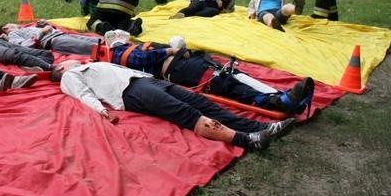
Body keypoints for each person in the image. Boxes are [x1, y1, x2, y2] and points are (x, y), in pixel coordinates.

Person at [51, 60, 296, 150]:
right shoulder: (70, 76)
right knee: (185, 112)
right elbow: (83, 95)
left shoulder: (88, 66)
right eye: (68, 61)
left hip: (145, 81)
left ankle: (258, 126)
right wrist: (101, 110)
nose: (72, 60)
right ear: (62, 68)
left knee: (200, 102)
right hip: (131, 91)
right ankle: (247, 140)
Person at [91, 31, 314, 116]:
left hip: (187, 64)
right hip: (179, 70)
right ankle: (277, 101)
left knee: (230, 74)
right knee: (222, 81)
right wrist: (170, 50)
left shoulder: (134, 47)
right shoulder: (119, 53)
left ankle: (280, 96)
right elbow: (138, 60)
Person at [0, 21, 101, 56]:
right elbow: (25, 45)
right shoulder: (13, 35)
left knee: (92, 40)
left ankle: (114, 43)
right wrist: (42, 32)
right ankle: (113, 55)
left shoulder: (26, 28)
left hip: (61, 35)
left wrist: (44, 25)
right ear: (6, 28)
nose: (17, 24)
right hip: (54, 41)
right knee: (89, 47)